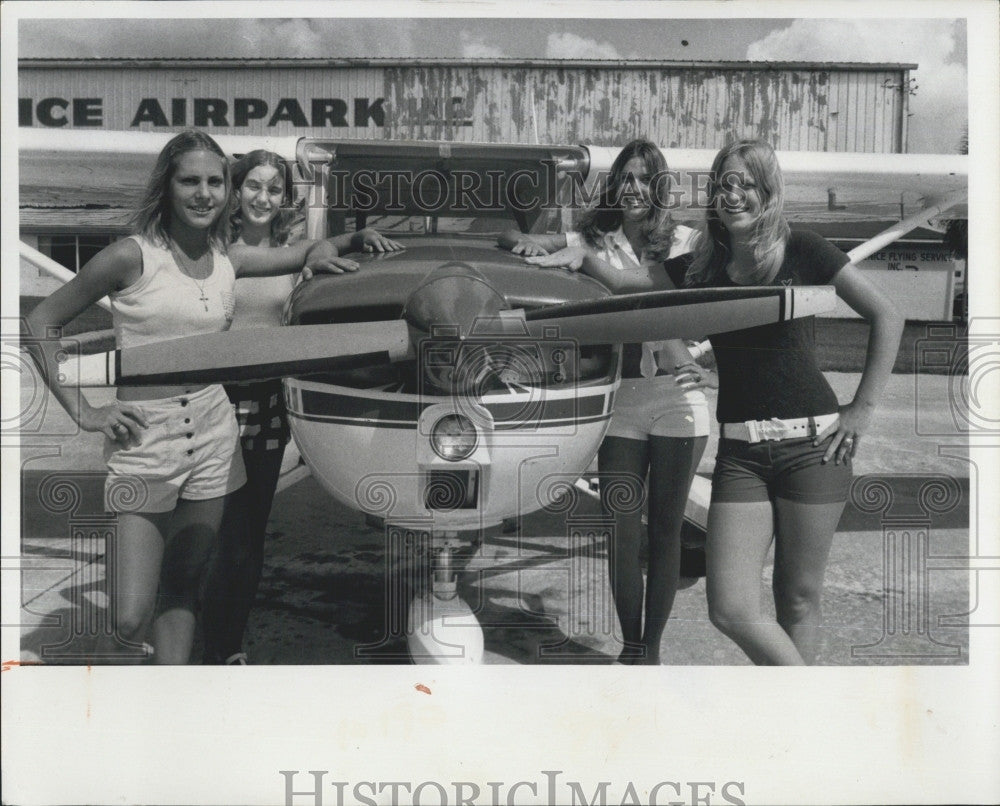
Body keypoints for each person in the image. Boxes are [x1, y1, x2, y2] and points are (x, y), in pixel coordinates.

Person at [25, 131, 357, 664]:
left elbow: (306, 253)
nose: (204, 194)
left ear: (226, 190)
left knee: (182, 590)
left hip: (214, 434)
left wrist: (343, 243)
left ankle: (176, 715)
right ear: (167, 186)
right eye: (190, 181)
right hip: (145, 441)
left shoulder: (230, 259)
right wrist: (86, 410)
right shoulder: (130, 256)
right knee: (131, 612)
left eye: (214, 181)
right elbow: (41, 321)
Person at [678, 139, 903, 665]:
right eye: (723, 184)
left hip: (816, 450)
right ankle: (815, 706)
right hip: (741, 458)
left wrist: (862, 409)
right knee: (731, 608)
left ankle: (797, 726)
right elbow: (627, 286)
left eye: (746, 183)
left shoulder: (801, 247)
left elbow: (887, 315)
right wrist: (575, 251)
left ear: (767, 191)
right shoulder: (701, 267)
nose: (733, 194)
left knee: (798, 600)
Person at [499, 138, 713, 664]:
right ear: (614, 185)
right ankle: (630, 646)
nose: (635, 188)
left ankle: (650, 651)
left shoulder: (688, 240)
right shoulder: (589, 237)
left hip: (679, 401)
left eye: (646, 178)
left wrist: (703, 355)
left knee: (664, 535)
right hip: (621, 402)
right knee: (620, 532)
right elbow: (508, 236)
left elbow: (716, 301)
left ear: (660, 186)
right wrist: (530, 247)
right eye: (626, 178)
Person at [201, 149, 403, 665]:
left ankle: (229, 648)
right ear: (233, 189)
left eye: (273, 189)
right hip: (211, 400)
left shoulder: (298, 256)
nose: (262, 198)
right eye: (252, 186)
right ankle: (190, 638)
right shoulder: (212, 251)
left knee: (247, 534)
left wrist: (359, 238)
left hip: (267, 400)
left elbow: (321, 247)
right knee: (204, 532)